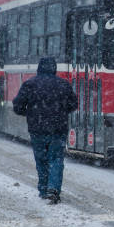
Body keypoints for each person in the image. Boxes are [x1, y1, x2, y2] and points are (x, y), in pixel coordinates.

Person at [13, 57, 77, 204]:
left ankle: (43, 189)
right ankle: (53, 189)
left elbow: (18, 106)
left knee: (41, 159)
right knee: (56, 159)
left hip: (37, 129)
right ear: (54, 69)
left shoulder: (30, 84)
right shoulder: (63, 84)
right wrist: (60, 111)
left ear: (39, 68)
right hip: (58, 128)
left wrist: (30, 113)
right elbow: (73, 104)